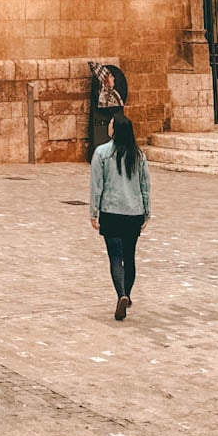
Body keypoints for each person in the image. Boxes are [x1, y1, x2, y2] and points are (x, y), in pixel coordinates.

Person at [89, 113, 151, 321]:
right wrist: (147, 211)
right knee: (129, 256)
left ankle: (121, 294)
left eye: (111, 124)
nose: (108, 126)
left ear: (115, 129)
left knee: (115, 256)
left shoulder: (101, 153)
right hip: (134, 212)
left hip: (111, 211)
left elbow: (97, 186)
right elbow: (145, 186)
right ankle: (128, 295)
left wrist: (94, 212)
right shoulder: (139, 155)